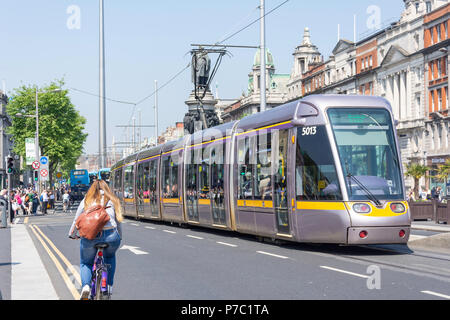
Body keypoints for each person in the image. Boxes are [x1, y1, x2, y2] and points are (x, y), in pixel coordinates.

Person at [68, 180, 123, 300]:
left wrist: (72, 233)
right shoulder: (112, 199)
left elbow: (77, 219)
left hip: (90, 236)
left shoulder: (86, 200)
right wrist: (119, 236)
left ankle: (86, 287)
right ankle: (109, 286)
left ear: (91, 189)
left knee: (86, 263)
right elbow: (118, 221)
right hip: (111, 235)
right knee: (110, 257)